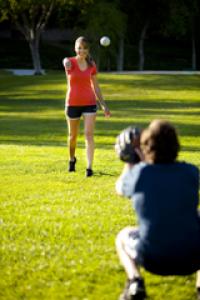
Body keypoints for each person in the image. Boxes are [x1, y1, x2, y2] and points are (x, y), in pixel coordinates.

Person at [115, 119, 200, 300]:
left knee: (123, 236)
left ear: (146, 148)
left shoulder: (139, 173)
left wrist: (131, 161)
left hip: (153, 258)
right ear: (176, 145)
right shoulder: (191, 172)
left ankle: (135, 281)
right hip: (192, 257)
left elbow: (121, 188)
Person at [63, 36, 110, 177]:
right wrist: (65, 60)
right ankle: (72, 159)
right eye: (79, 48)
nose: (81, 50)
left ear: (88, 50)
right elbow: (65, 61)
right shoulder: (70, 62)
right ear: (75, 49)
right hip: (72, 103)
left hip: (89, 103)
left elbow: (96, 86)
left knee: (89, 135)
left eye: (84, 48)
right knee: (73, 136)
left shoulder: (91, 65)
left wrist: (103, 104)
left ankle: (89, 168)